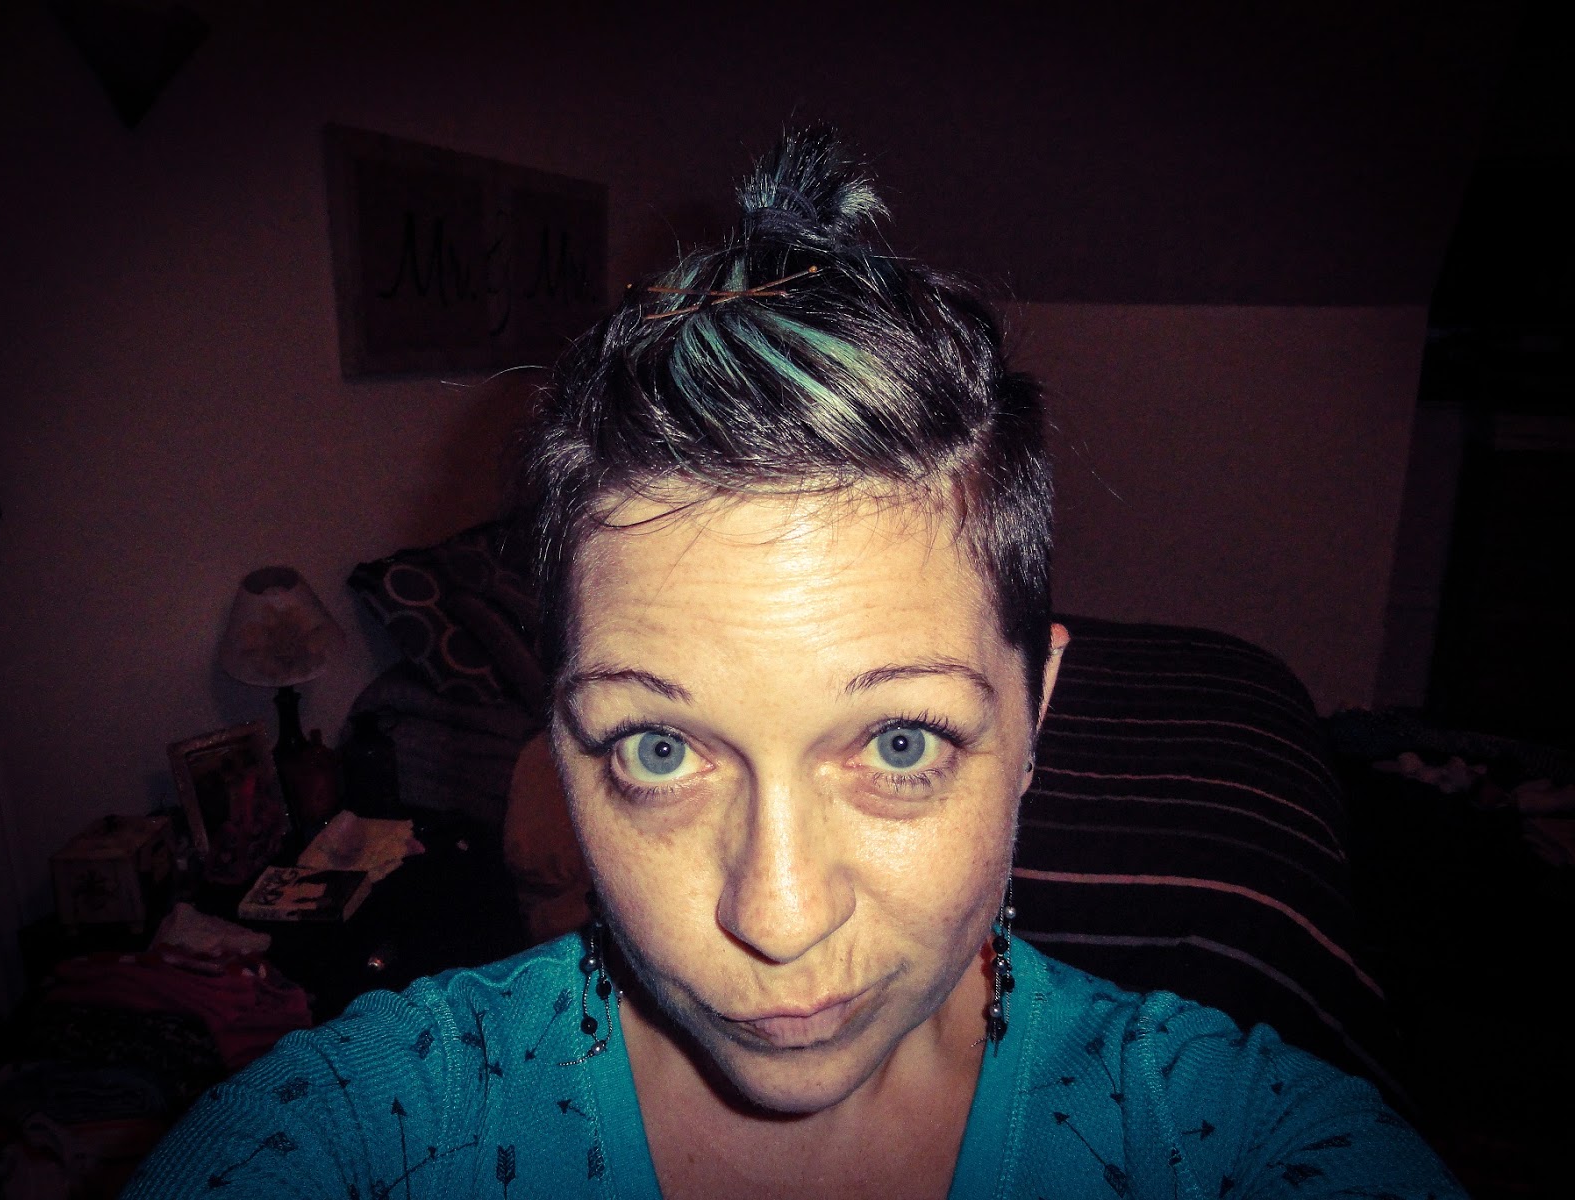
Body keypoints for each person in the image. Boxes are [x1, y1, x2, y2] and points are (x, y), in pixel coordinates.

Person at [124, 127, 1465, 1199]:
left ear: (1037, 711)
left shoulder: (1235, 1143)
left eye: (900, 743)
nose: (775, 917)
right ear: (560, 744)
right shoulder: (374, 1133)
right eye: (659, 751)